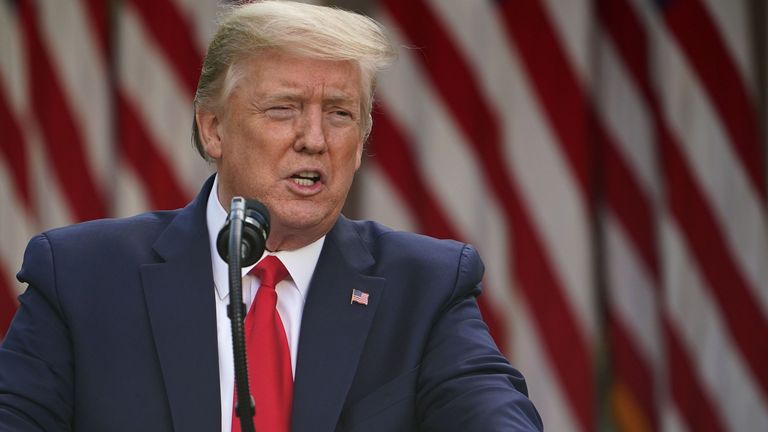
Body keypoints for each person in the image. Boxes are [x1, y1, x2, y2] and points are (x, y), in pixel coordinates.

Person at [0, 1, 542, 431]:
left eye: (339, 114)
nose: (314, 140)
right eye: (283, 109)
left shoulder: (423, 287)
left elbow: (491, 413)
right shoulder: (80, 276)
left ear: (361, 143)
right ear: (213, 130)